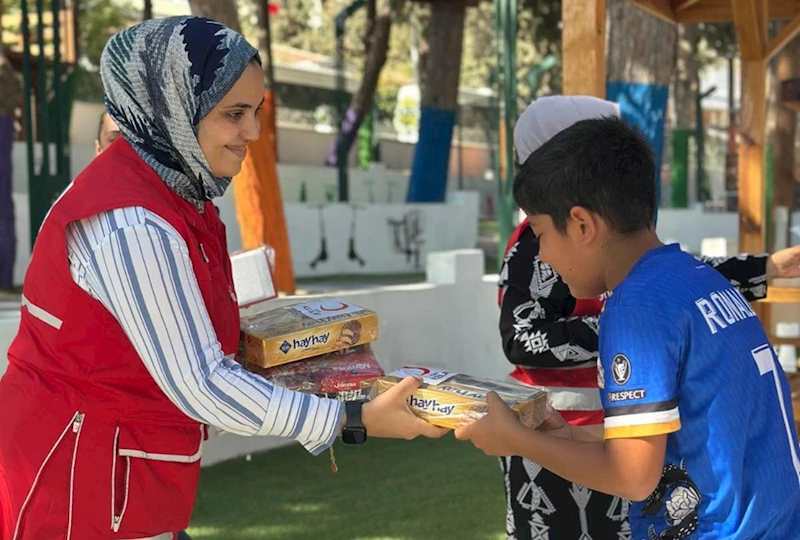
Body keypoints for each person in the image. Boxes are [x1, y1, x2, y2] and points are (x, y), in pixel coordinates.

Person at [0, 17, 444, 540]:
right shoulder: (131, 221)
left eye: (255, 112)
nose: (252, 133)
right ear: (170, 109)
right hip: (80, 481)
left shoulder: (171, 195)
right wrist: (353, 418)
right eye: (234, 113)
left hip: (117, 472)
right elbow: (202, 382)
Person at [460, 114, 800, 538]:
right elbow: (674, 436)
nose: (542, 258)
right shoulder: (697, 279)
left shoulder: (634, 308)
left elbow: (632, 477)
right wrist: (570, 437)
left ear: (583, 225)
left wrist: (517, 441)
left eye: (541, 234)